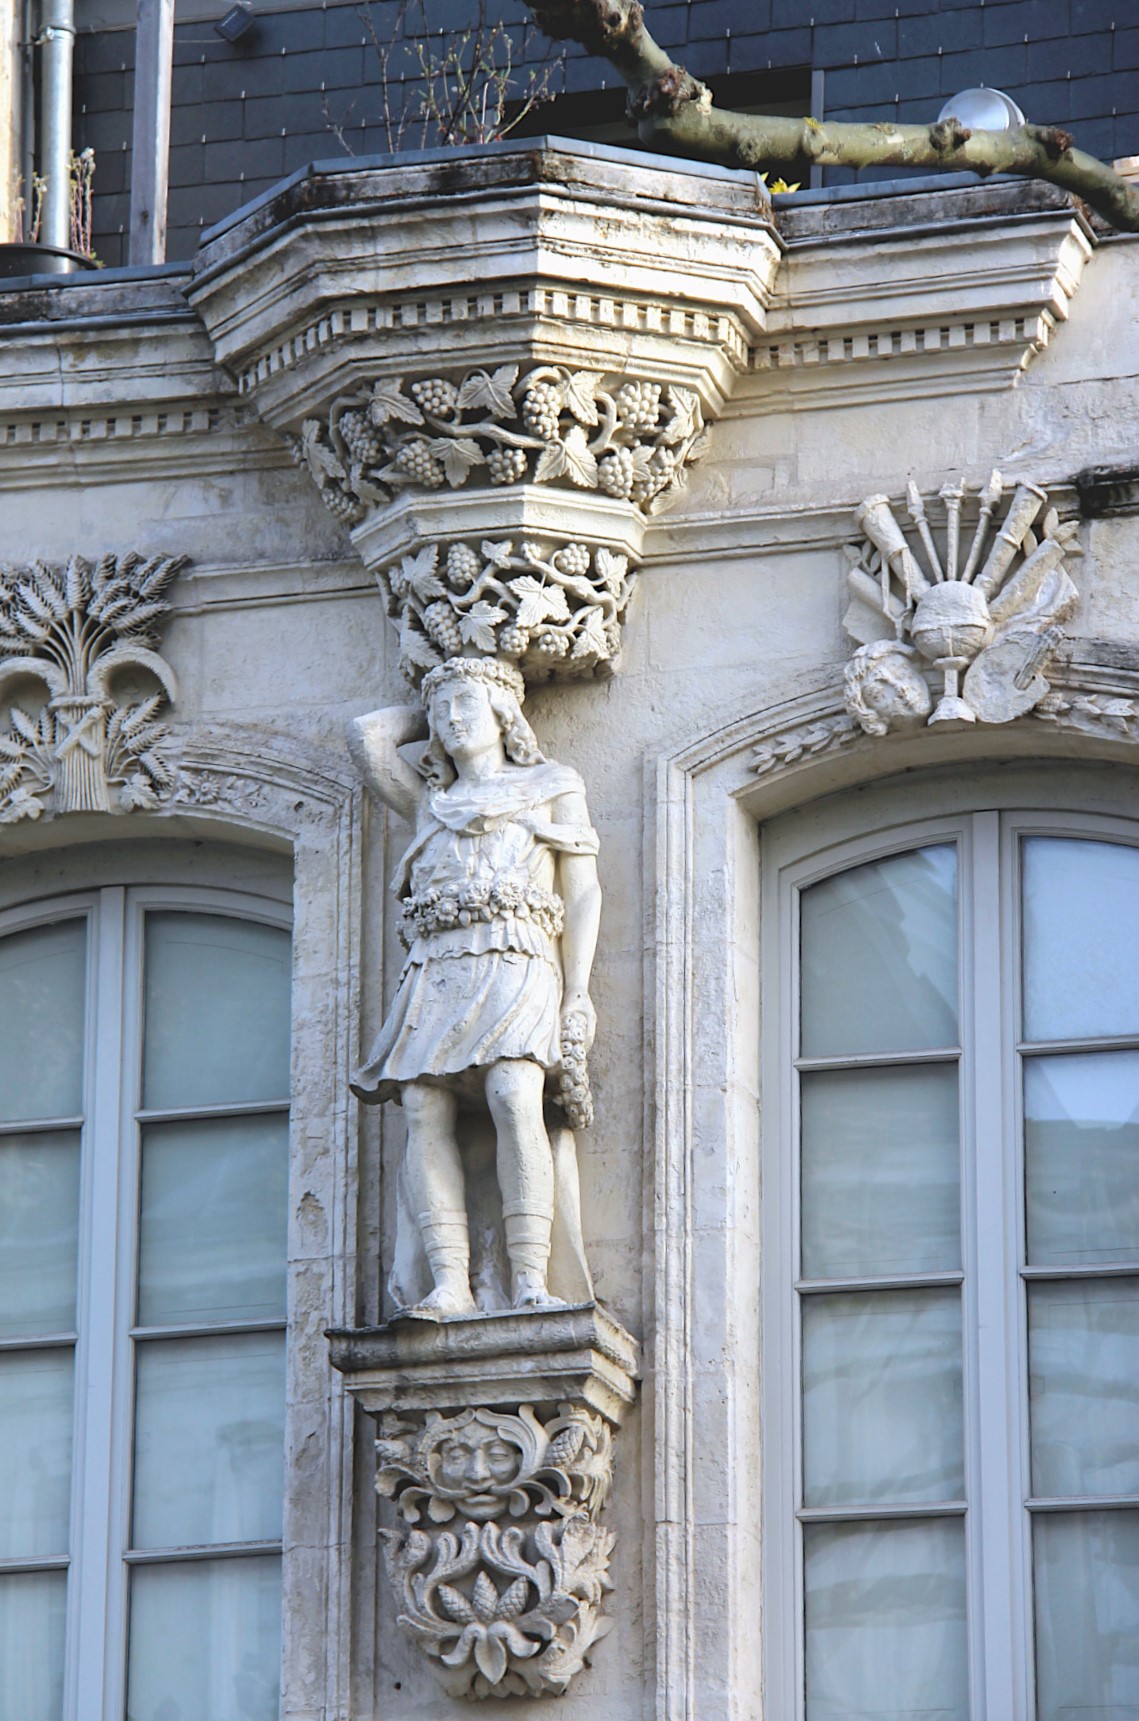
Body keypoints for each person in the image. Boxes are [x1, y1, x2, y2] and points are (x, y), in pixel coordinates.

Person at [349, 655, 601, 1317]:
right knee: (422, 1105)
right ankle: (449, 1282)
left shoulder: (551, 784)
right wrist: (436, 692)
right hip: (439, 964)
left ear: (502, 715)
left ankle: (530, 1278)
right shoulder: (432, 802)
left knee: (514, 1093)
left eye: (466, 705)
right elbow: (368, 738)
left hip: (518, 954)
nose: (451, 719)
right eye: (441, 712)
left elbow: (582, 893)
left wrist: (578, 992)